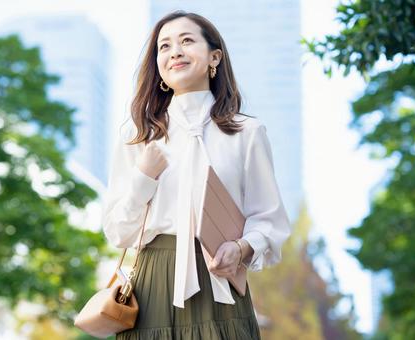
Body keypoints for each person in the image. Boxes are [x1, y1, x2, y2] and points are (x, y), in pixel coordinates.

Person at [101, 10, 292, 340]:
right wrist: (142, 180)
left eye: (187, 41)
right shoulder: (139, 135)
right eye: (164, 46)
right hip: (153, 286)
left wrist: (243, 248)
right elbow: (117, 232)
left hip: (221, 284)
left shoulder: (247, 132)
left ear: (214, 57)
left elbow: (270, 220)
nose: (175, 51)